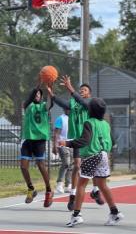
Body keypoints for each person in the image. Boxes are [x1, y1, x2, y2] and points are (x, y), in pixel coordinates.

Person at [59, 98, 124, 227]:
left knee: (81, 184)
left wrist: (67, 143)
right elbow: (112, 141)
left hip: (92, 155)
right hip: (104, 155)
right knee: (102, 185)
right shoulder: (105, 124)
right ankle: (115, 213)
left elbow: (84, 141)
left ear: (90, 110)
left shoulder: (89, 123)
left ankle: (76, 215)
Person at [47, 76, 104, 210]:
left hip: (89, 138)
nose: (82, 91)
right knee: (77, 166)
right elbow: (65, 104)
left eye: (84, 90)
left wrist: (70, 88)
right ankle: (72, 195)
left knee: (94, 166)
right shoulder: (73, 103)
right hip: (77, 139)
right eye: (81, 90)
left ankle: (95, 190)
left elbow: (80, 100)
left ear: (89, 94)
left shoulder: (90, 103)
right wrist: (52, 95)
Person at [20, 85, 54, 207]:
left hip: (39, 141)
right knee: (23, 167)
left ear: (41, 96)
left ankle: (49, 190)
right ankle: (31, 189)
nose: (37, 96)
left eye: (39, 94)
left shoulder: (44, 106)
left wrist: (50, 93)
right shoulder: (28, 106)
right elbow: (27, 101)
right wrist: (36, 87)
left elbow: (50, 103)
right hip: (28, 140)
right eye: (35, 94)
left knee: (41, 165)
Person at [53, 108, 72, 194]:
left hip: (72, 143)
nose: (69, 110)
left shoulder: (74, 118)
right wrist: (55, 145)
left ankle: (68, 185)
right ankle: (59, 184)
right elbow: (56, 133)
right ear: (64, 109)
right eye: (67, 108)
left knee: (71, 165)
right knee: (66, 163)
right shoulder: (60, 118)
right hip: (62, 143)